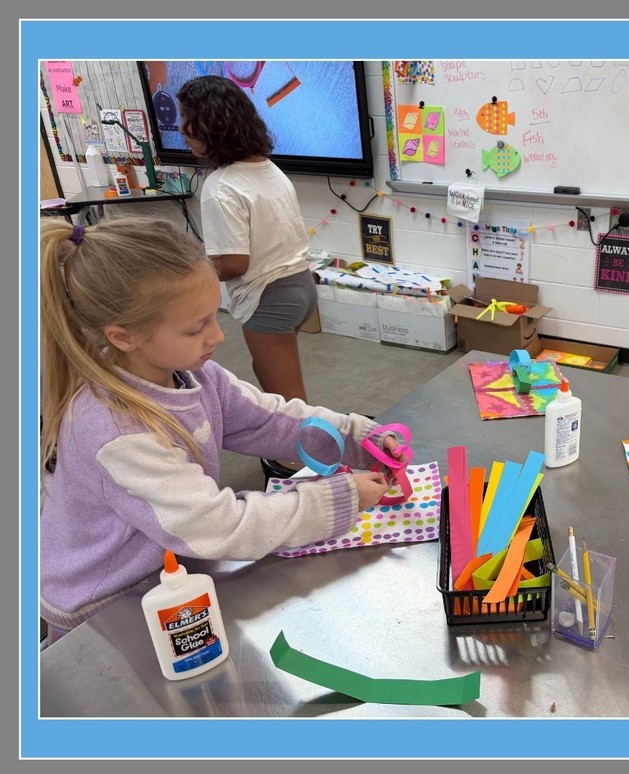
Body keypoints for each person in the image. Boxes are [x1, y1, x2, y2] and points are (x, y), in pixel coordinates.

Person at [39, 217, 404, 643]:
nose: (217, 336)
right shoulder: (115, 431)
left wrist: (356, 438)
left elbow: (272, 419)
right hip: (103, 609)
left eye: (215, 316)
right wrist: (339, 498)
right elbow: (217, 527)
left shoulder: (195, 375)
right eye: (196, 328)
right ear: (123, 337)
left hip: (168, 572)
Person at [176, 74, 317, 477]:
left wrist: (191, 269)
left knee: (290, 399)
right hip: (299, 287)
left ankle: (300, 468)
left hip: (268, 297)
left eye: (188, 120)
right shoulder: (266, 168)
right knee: (270, 378)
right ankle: (292, 453)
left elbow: (234, 263)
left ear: (209, 126)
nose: (182, 130)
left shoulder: (221, 187)